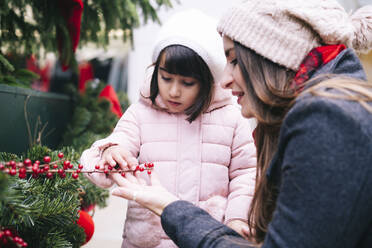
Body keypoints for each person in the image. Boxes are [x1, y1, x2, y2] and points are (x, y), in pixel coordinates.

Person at [110, 0, 372, 247]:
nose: (223, 80)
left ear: (272, 58)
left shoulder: (327, 123)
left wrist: (173, 210)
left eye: (234, 60)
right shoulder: (320, 115)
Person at [80, 9, 257, 248]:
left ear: (208, 80)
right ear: (156, 72)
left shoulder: (231, 118)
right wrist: (110, 152)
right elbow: (113, 147)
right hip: (147, 240)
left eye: (187, 83)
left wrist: (237, 219)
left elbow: (246, 174)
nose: (174, 91)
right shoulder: (141, 113)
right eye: (166, 78)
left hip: (207, 237)